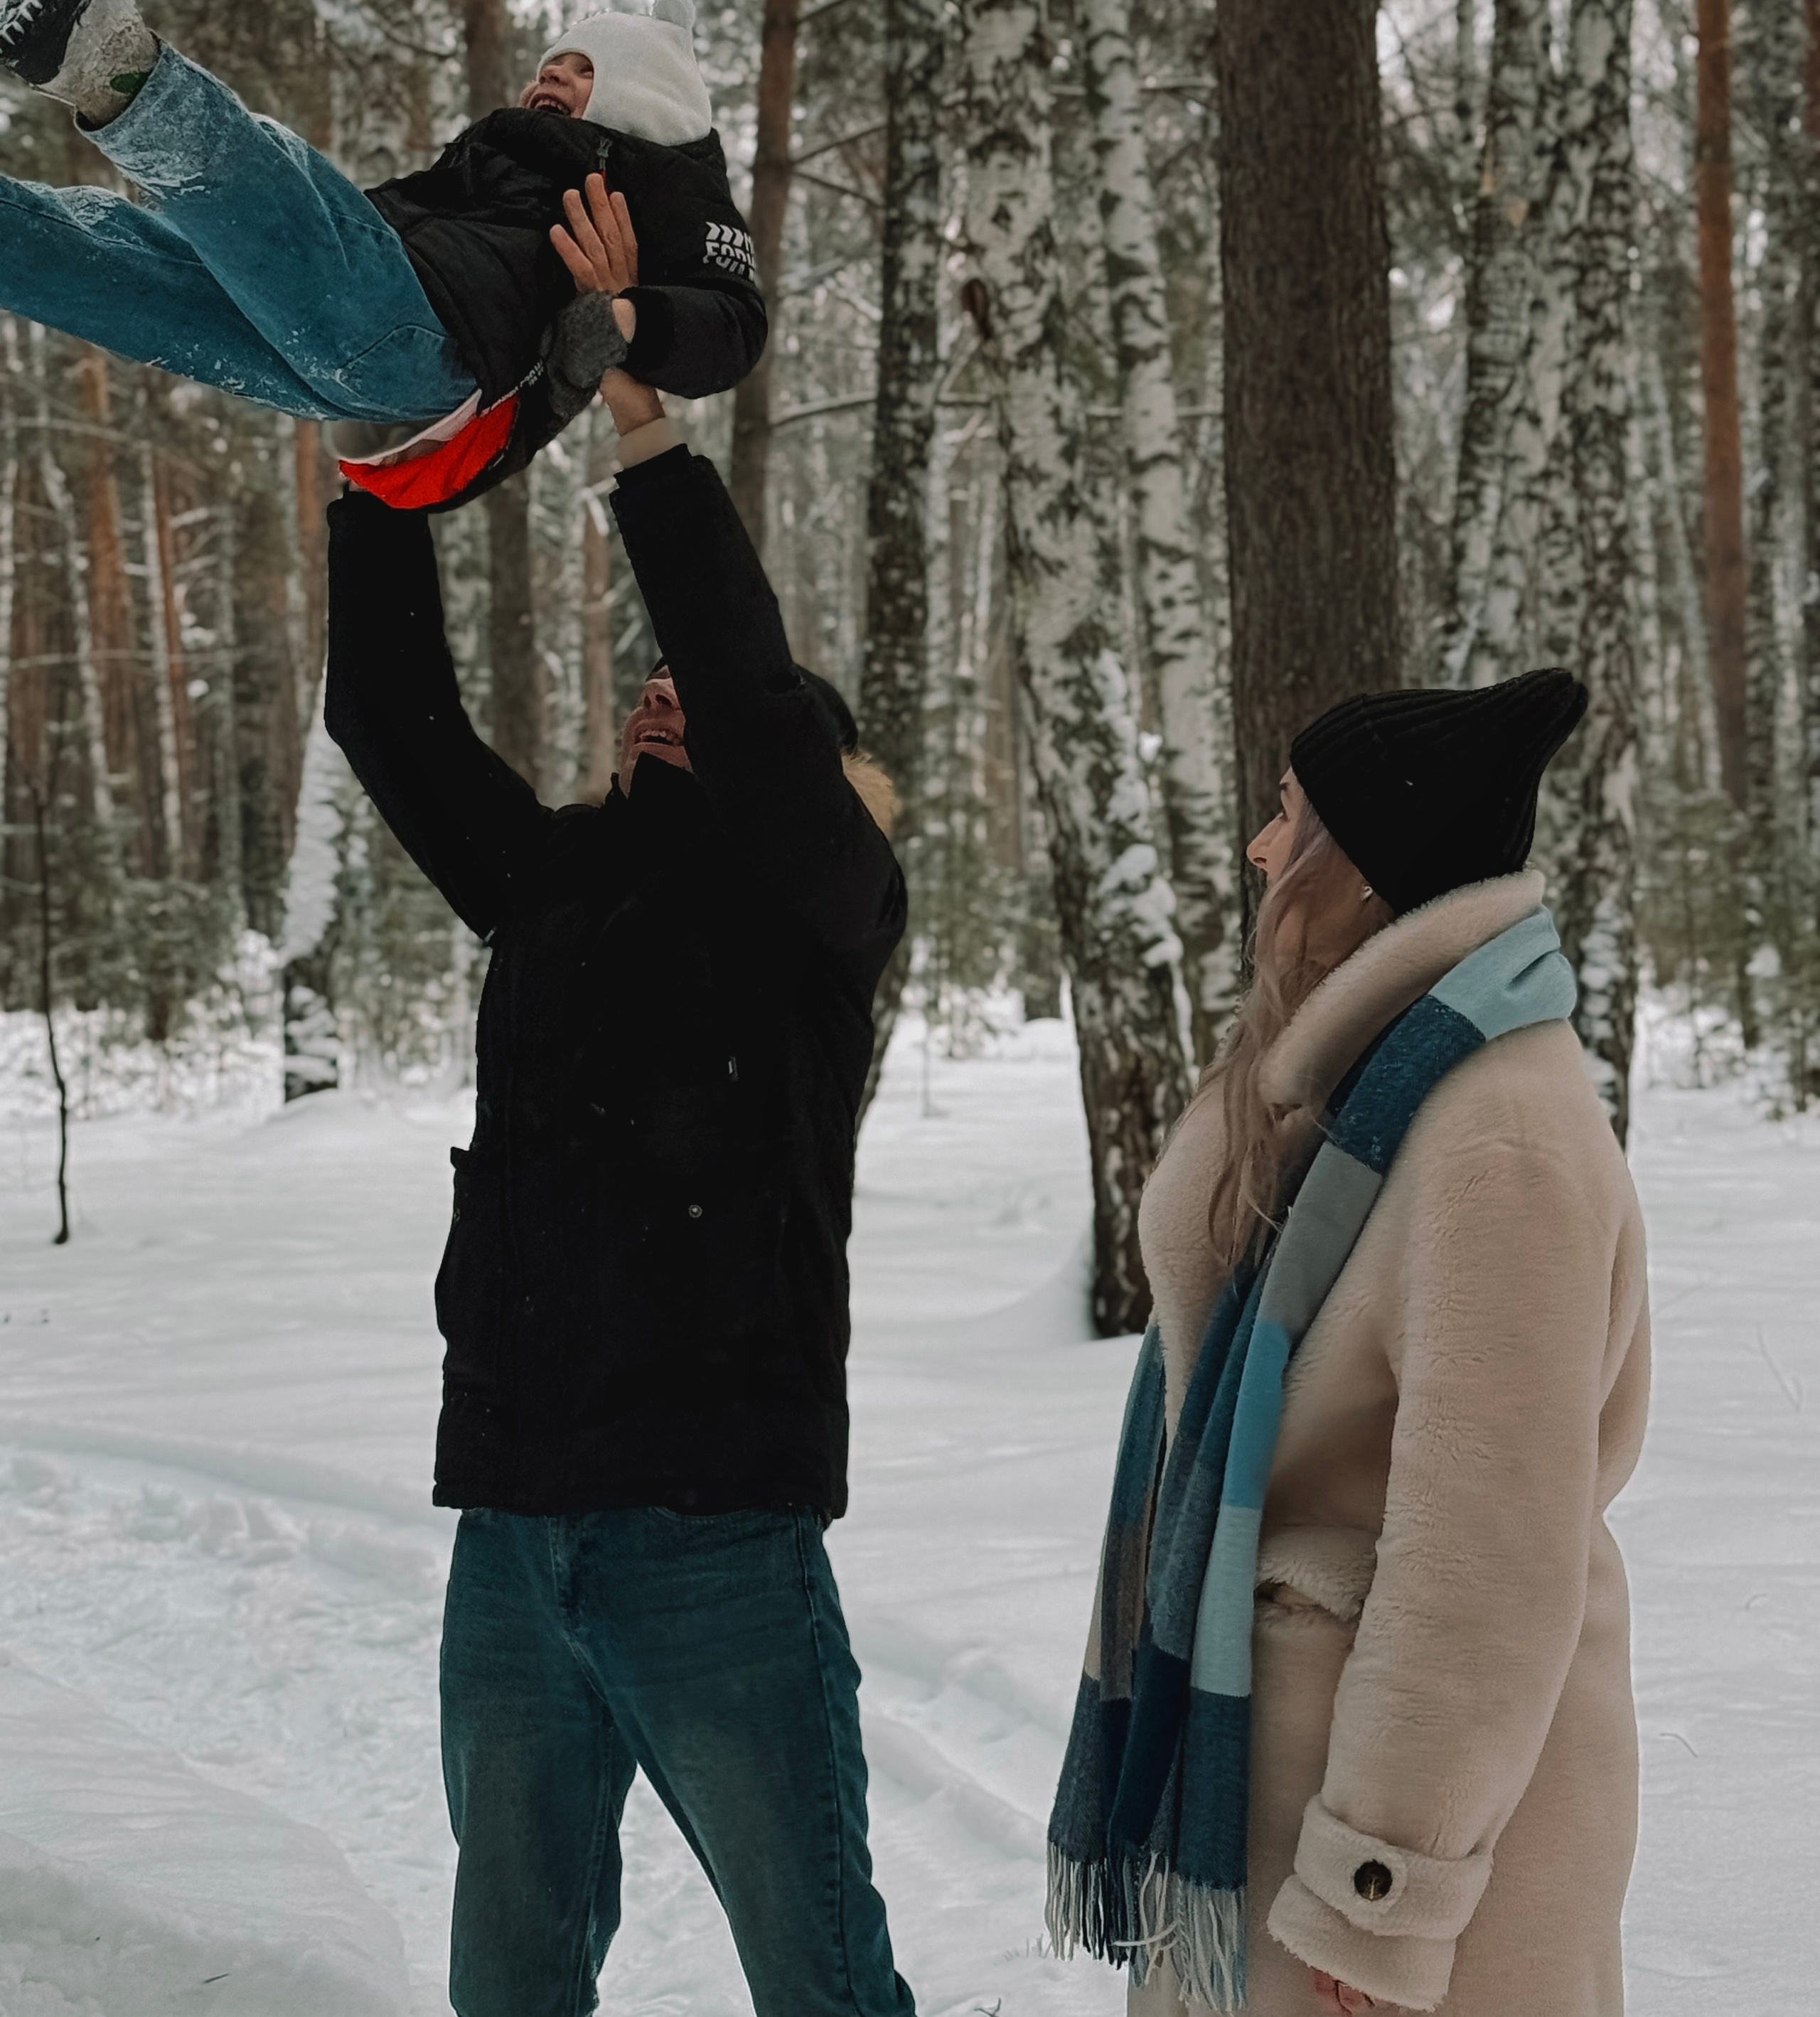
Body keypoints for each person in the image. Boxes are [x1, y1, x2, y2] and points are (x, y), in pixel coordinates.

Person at [321, 183, 913, 2017]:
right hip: (512, 1528)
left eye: (713, 702)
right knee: (508, 1975)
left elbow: (739, 668)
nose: (667, 696)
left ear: (801, 768)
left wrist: (639, 415)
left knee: (818, 1977)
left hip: (711, 1538)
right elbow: (389, 714)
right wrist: (373, 468)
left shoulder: (821, 917)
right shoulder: (555, 883)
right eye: (642, 682)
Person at [1048, 671, 1650, 2017]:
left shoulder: (1492, 1137)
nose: (1261, 847)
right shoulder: (1372, 1099)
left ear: (1367, 863)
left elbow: (1484, 1558)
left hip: (1396, 1854)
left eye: (1289, 814)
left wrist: (1385, 1888)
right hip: (1287, 1777)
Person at [0, 0, 764, 508]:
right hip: (356, 357)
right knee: (126, 269)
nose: (551, 74)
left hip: (418, 340)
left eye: (586, 66)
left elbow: (734, 324)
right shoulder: (497, 155)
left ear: (649, 96)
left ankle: (107, 60)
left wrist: (629, 317)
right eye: (551, 62)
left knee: (279, 176)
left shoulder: (661, 178)